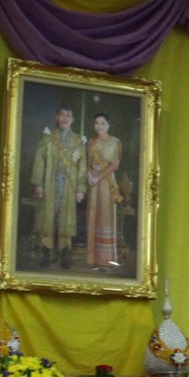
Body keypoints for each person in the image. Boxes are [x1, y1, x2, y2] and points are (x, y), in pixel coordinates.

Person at [30, 104, 87, 268]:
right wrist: (38, 184)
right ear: (57, 117)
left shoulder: (78, 141)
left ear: (73, 119)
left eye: (68, 115)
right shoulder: (48, 138)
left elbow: (82, 167)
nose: (65, 118)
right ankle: (46, 252)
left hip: (69, 186)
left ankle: (65, 254)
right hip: (50, 183)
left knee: (66, 220)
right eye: (62, 115)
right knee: (48, 217)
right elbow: (39, 161)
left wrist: (80, 190)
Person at [84, 112, 122, 271]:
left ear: (108, 125)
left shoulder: (115, 142)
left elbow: (114, 165)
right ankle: (94, 260)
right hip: (93, 183)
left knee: (106, 219)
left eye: (103, 123)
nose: (99, 126)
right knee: (93, 219)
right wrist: (89, 177)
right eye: (97, 123)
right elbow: (86, 162)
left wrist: (97, 177)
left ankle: (107, 262)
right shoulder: (91, 142)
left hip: (107, 183)